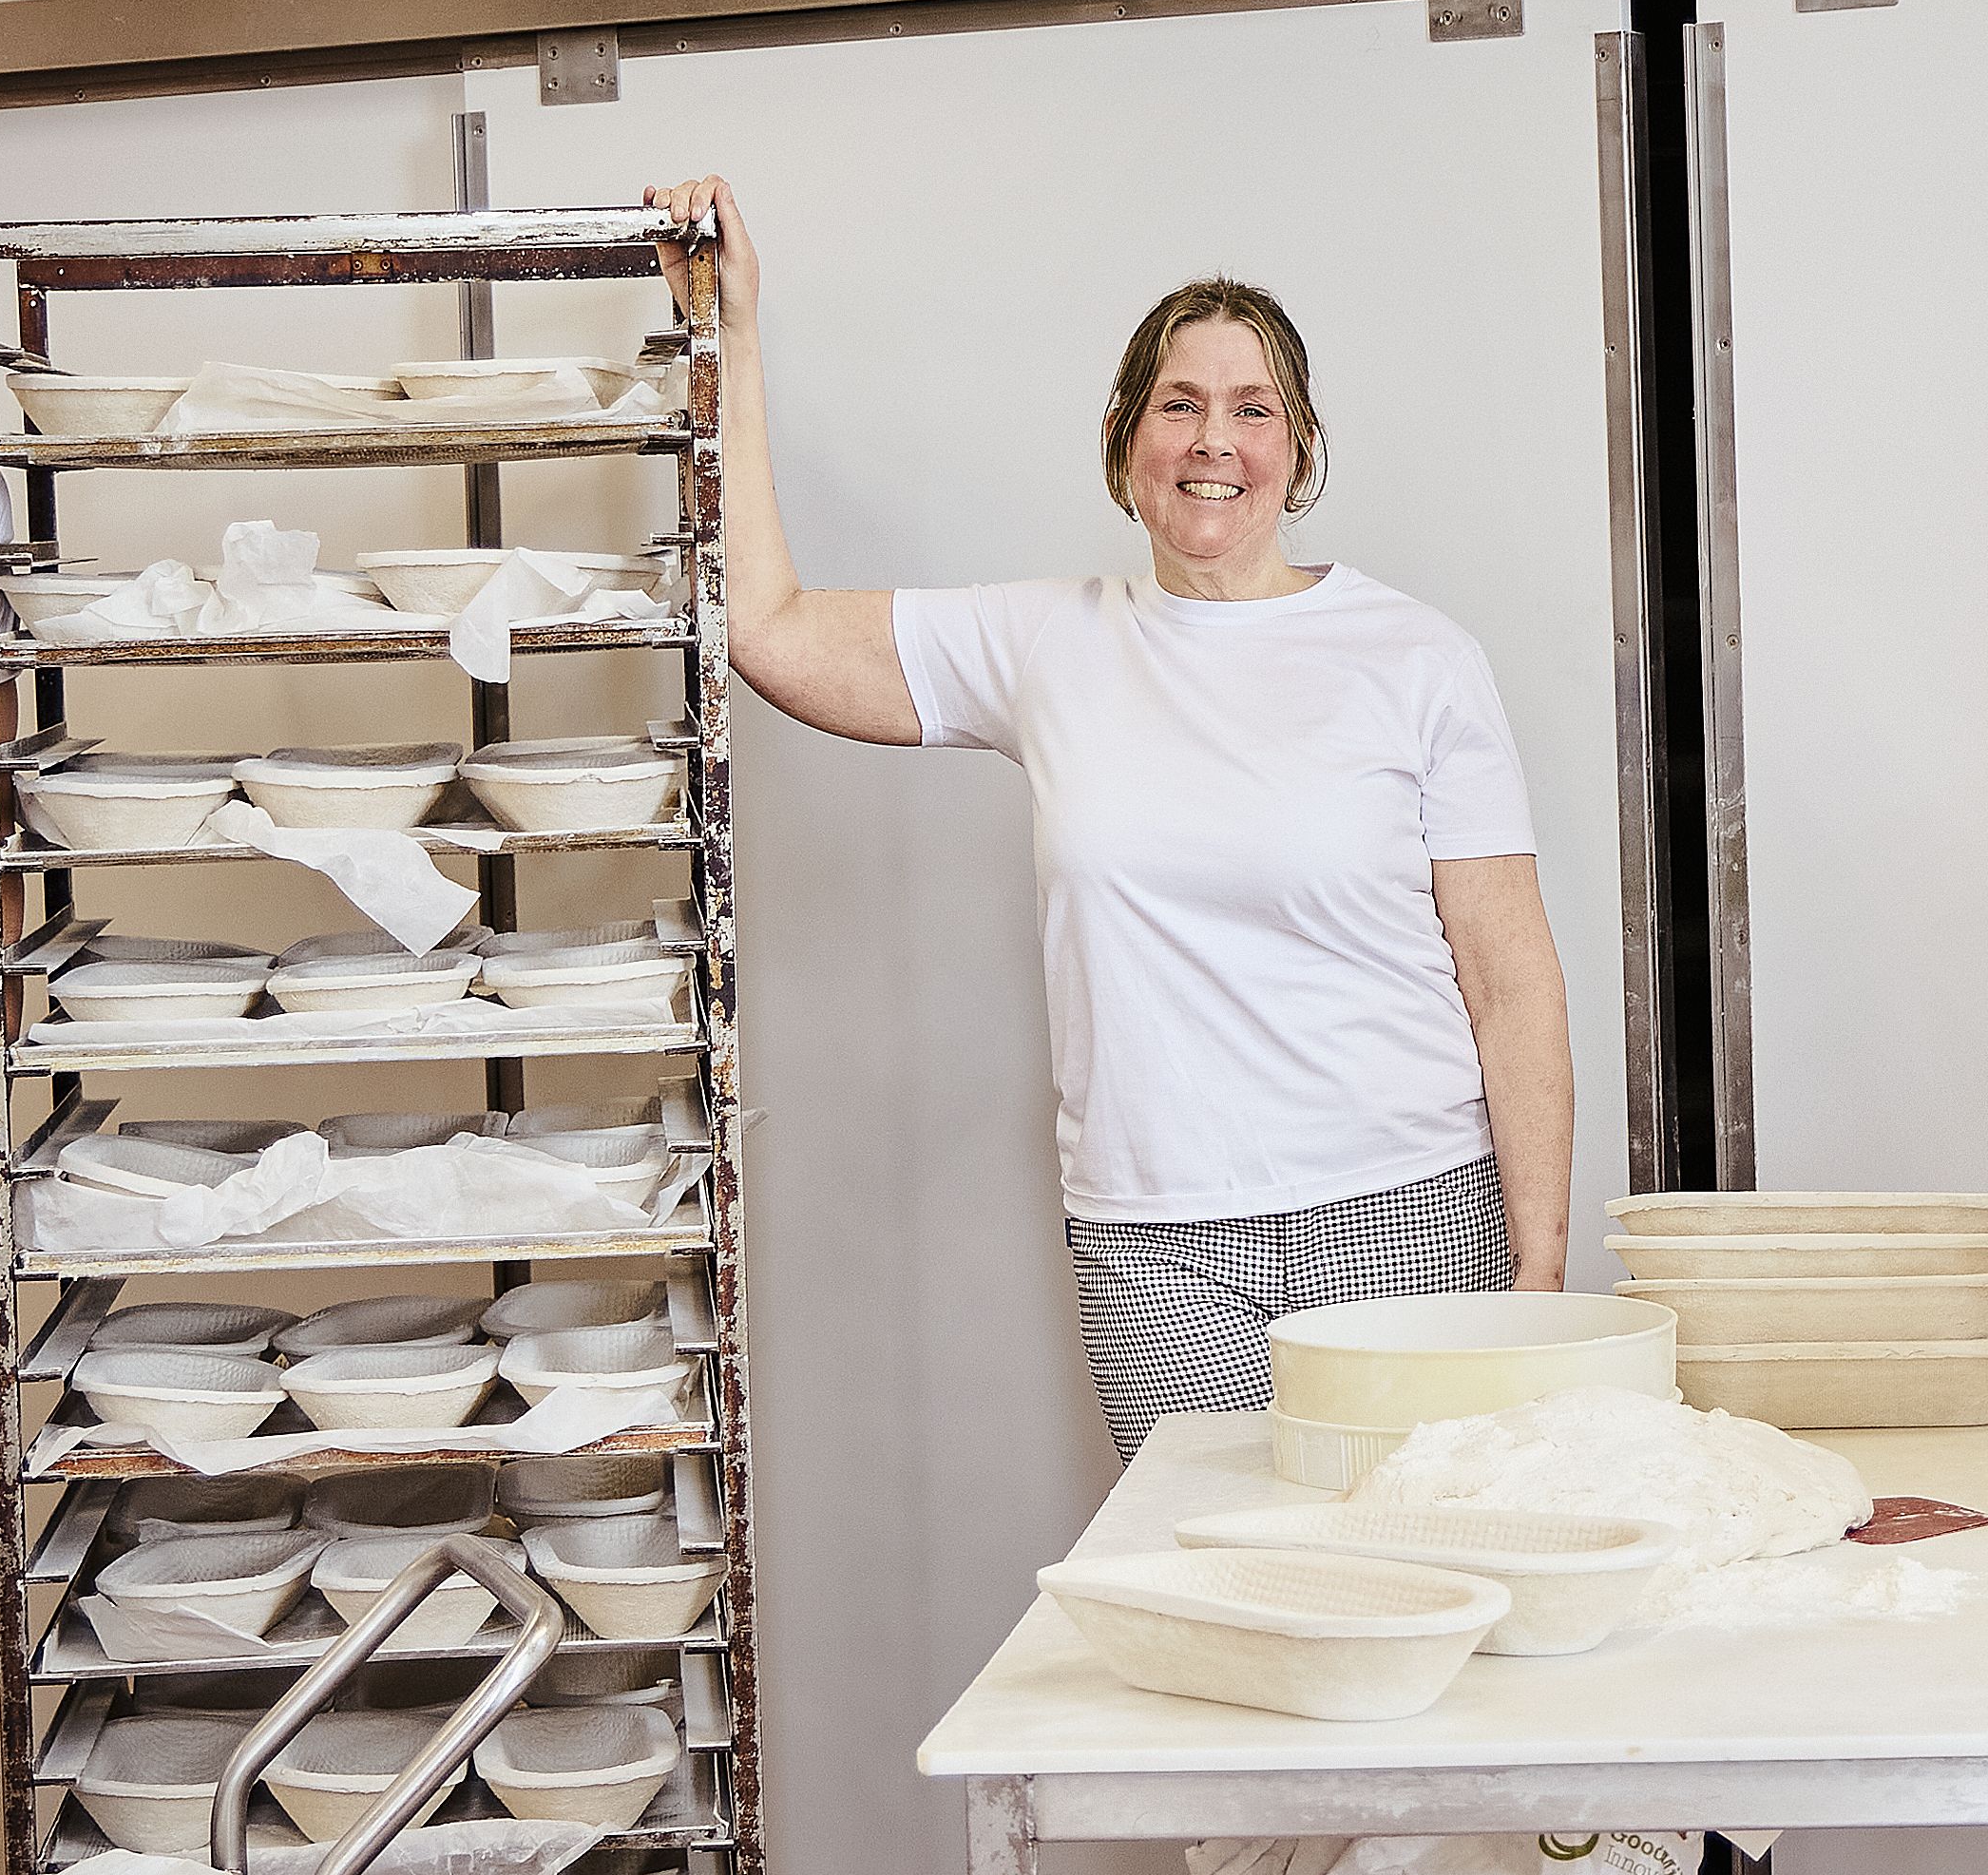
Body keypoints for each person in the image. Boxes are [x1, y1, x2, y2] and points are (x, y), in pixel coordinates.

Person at [661, 173, 1577, 1455]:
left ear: (1300, 450)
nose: (1216, 441)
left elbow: (1511, 977)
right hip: (1155, 1245)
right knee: (1212, 1595)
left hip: (1406, 1212)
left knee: (1425, 1567)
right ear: (1124, 443)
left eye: (1254, 409)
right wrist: (735, 331)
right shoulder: (1050, 642)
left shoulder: (1416, 658)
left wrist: (1538, 1270)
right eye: (1180, 405)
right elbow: (766, 629)